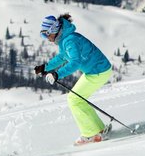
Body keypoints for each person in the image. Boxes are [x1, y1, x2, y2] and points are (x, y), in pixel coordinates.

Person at [33, 14, 113, 146]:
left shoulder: (69, 40)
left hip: (98, 71)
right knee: (77, 99)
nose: (46, 38)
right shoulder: (65, 39)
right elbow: (62, 57)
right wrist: (45, 67)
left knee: (74, 99)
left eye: (46, 34)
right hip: (96, 70)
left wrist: (57, 74)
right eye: (43, 36)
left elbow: (75, 62)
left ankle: (90, 134)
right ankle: (98, 130)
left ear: (53, 30)